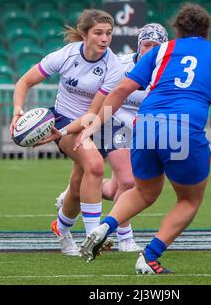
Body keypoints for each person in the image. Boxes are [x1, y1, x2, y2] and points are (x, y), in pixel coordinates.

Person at [74, 3, 211, 274]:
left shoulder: (162, 50)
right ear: (207, 30)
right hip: (183, 130)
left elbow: (120, 90)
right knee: (188, 200)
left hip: (146, 126)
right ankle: (149, 258)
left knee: (144, 191)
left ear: (177, 29)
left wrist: (96, 121)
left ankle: (105, 226)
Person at [9, 9, 124, 256]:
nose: (105, 39)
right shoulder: (66, 55)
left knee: (77, 185)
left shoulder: (113, 66)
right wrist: (18, 110)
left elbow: (93, 114)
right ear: (84, 34)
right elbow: (24, 82)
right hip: (62, 118)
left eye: (109, 33)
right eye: (98, 33)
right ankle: (95, 237)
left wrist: (60, 133)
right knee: (94, 166)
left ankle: (60, 228)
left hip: (93, 123)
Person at [54, 23, 169, 252]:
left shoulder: (167, 71)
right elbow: (100, 93)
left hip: (142, 130)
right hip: (112, 123)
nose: (151, 50)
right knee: (128, 181)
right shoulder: (121, 64)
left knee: (107, 187)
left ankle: (70, 195)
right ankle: (125, 238)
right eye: (147, 45)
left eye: (158, 46)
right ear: (139, 45)